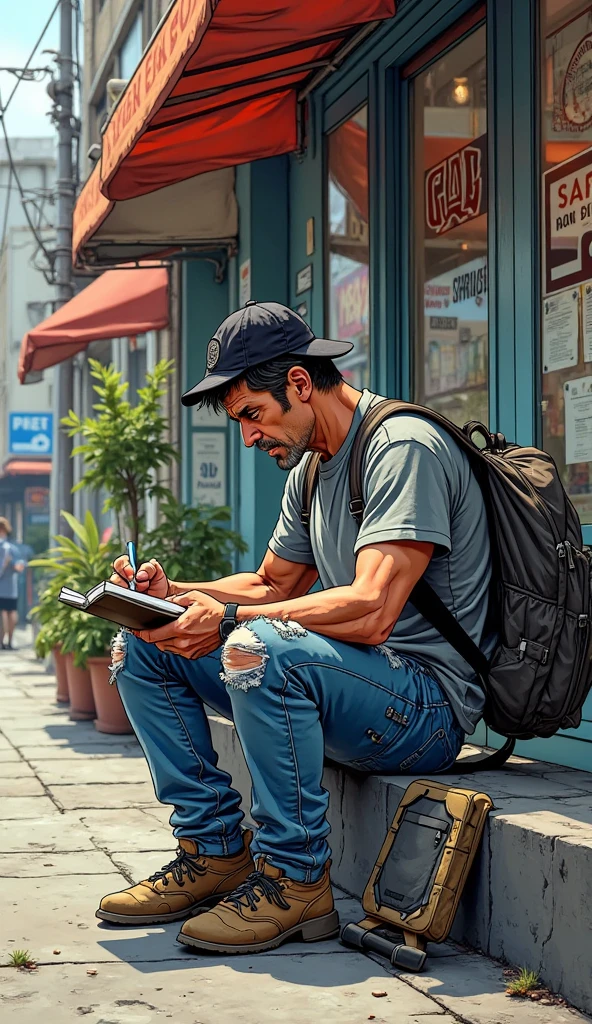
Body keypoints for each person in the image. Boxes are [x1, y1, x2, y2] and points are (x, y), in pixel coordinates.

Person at [98, 300, 495, 955]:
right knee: (142, 646)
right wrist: (172, 598)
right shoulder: (312, 469)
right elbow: (271, 585)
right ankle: (215, 852)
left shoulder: (401, 447)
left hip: (425, 709)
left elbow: (371, 608)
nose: (249, 437)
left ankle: (295, 880)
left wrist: (228, 619)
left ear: (301, 385)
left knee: (258, 647)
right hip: (347, 687)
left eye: (253, 415)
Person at [0, 517, 25, 650]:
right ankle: (9, 641)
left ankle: (2, 642)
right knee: (11, 612)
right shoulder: (13, 548)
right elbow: (19, 565)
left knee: (3, 612)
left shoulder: (5, 547)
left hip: (3, 587)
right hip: (11, 588)